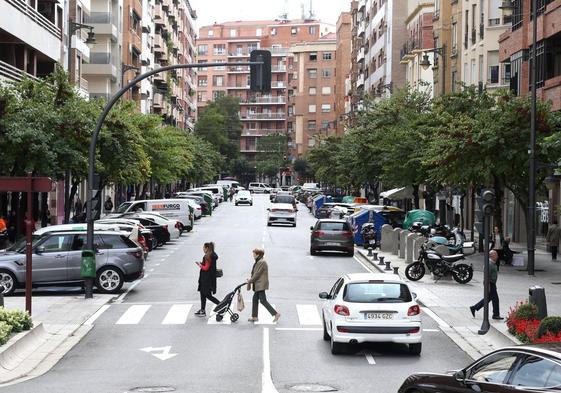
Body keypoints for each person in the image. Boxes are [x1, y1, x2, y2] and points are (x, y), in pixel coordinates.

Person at [246, 248, 280, 323]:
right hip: (259, 284)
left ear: (258, 254)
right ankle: (254, 317)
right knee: (255, 299)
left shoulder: (261, 262)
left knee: (263, 300)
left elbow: (257, 274)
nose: (253, 255)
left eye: (254, 253)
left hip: (260, 284)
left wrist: (250, 281)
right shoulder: (259, 261)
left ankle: (276, 314)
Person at [470, 250, 503, 320]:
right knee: (495, 299)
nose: (497, 256)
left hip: (492, 283)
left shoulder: (492, 263)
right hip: (490, 283)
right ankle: (496, 314)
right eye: (496, 255)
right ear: (492, 256)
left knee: (488, 298)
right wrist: (488, 286)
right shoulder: (489, 264)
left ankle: (474, 307)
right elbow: (487, 276)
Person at [194, 242, 220, 317]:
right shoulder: (212, 255)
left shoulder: (207, 256)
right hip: (209, 278)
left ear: (207, 248)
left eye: (203, 248)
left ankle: (221, 304)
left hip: (206, 279)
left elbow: (206, 268)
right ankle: (202, 310)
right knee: (202, 294)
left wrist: (199, 265)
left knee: (208, 295)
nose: (203, 249)